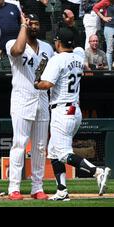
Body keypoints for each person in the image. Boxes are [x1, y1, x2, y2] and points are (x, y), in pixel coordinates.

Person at [34, 27, 111, 201]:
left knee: (62, 154)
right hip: (73, 109)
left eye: (56, 40)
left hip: (62, 110)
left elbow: (46, 84)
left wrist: (36, 83)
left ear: (59, 42)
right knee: (53, 153)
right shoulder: (77, 58)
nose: (55, 42)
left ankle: (97, 171)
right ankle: (62, 190)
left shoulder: (58, 59)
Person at [5, 13, 54, 200]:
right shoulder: (13, 43)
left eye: (36, 23)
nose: (34, 26)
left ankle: (37, 187)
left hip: (42, 100)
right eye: (30, 23)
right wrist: (23, 27)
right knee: (19, 144)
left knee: (41, 147)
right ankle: (14, 188)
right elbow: (17, 51)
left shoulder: (48, 48)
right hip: (21, 99)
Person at [93, 0, 114, 70]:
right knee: (110, 50)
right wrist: (103, 17)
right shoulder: (106, 1)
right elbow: (95, 8)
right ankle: (110, 71)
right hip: (110, 27)